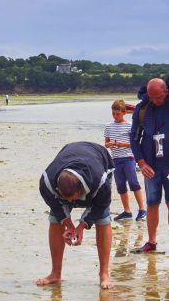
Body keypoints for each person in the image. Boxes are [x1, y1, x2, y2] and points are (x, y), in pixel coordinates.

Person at [38, 141, 114, 289]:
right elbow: (55, 205)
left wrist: (81, 226)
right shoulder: (47, 182)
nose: (69, 202)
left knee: (103, 218)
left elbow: (100, 205)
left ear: (80, 191)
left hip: (99, 158)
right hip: (68, 154)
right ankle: (55, 273)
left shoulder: (100, 181)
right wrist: (68, 224)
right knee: (55, 218)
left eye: (72, 198)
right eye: (65, 198)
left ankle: (104, 274)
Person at [130, 77, 169, 253]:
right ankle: (151, 242)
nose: (155, 101)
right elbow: (134, 138)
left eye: (158, 97)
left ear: (166, 92)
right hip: (150, 167)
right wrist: (142, 162)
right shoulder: (142, 109)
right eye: (151, 97)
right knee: (152, 203)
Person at [104, 99, 146, 221]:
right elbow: (106, 144)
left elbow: (135, 143)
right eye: (113, 114)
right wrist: (110, 144)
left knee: (133, 183)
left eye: (117, 114)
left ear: (123, 113)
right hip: (115, 159)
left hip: (128, 158)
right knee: (121, 186)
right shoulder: (108, 126)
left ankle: (142, 209)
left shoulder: (129, 126)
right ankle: (127, 211)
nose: (115, 116)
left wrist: (122, 144)